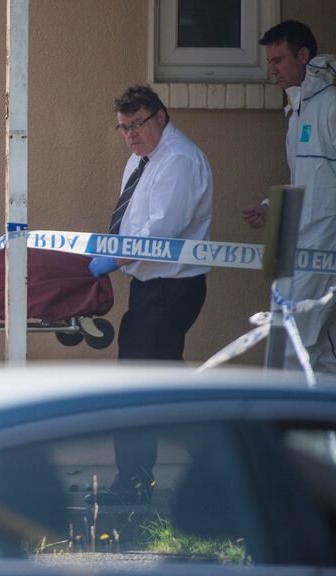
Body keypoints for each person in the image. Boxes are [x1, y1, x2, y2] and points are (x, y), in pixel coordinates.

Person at [88, 85, 213, 504]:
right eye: (123, 128)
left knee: (137, 384)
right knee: (167, 385)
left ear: (161, 115)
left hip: (170, 287)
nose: (130, 134)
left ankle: (134, 480)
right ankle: (221, 467)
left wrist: (111, 259)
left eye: (137, 124)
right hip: (151, 286)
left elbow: (158, 235)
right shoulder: (143, 158)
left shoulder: (177, 160)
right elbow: (133, 224)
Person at [242, 21, 336, 373]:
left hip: (324, 249)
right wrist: (271, 209)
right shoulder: (296, 111)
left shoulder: (331, 105)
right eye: (270, 62)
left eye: (279, 60)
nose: (273, 70)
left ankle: (284, 420)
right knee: (323, 350)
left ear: (303, 56)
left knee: (292, 340)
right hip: (304, 245)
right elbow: (307, 181)